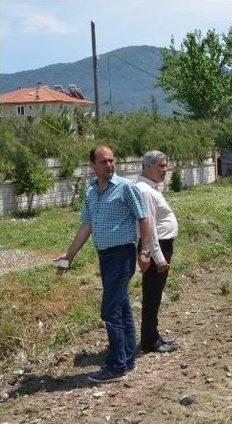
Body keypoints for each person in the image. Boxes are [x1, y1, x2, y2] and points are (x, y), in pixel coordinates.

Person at [56, 146, 152, 383]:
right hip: (105, 256)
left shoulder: (126, 188)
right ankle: (127, 359)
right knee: (121, 307)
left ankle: (115, 366)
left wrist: (146, 251)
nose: (109, 165)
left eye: (111, 161)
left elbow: (144, 219)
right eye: (103, 162)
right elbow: (86, 226)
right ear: (92, 165)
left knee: (109, 309)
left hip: (122, 255)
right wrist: (68, 256)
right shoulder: (90, 191)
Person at [136, 151, 179, 353]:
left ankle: (153, 336)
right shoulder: (144, 190)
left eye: (165, 165)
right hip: (156, 247)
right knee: (152, 294)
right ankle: (149, 341)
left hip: (160, 246)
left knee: (155, 294)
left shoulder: (150, 188)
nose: (165, 170)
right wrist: (159, 258)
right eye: (161, 166)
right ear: (148, 166)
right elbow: (148, 228)